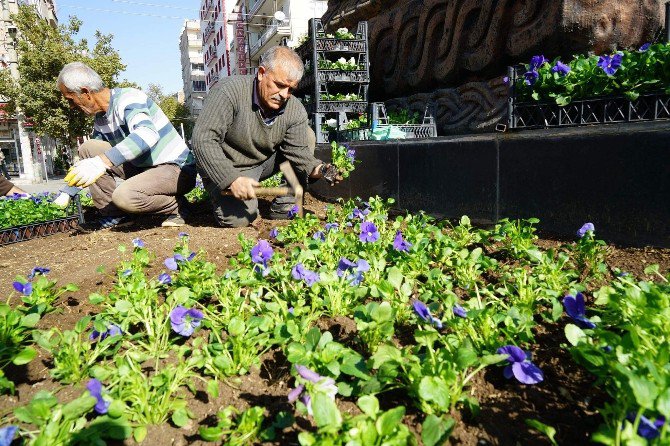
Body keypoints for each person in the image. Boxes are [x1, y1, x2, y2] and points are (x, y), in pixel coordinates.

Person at [192, 46, 341, 228]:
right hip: (229, 164)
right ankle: (217, 195)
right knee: (239, 219)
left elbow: (298, 151)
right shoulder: (229, 92)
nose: (284, 95)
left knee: (307, 135)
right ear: (262, 73)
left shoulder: (293, 108)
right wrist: (230, 179)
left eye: (290, 89)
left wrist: (321, 169)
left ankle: (287, 202)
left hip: (263, 162)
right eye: (279, 85)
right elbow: (203, 139)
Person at [54, 62, 196, 229]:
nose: (71, 107)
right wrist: (68, 190)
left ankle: (178, 206)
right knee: (89, 148)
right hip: (144, 169)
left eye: (70, 100)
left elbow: (147, 134)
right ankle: (115, 216)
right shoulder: (101, 119)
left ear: (86, 93)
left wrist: (102, 161)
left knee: (125, 196)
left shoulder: (128, 99)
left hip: (176, 169)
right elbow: (93, 161)